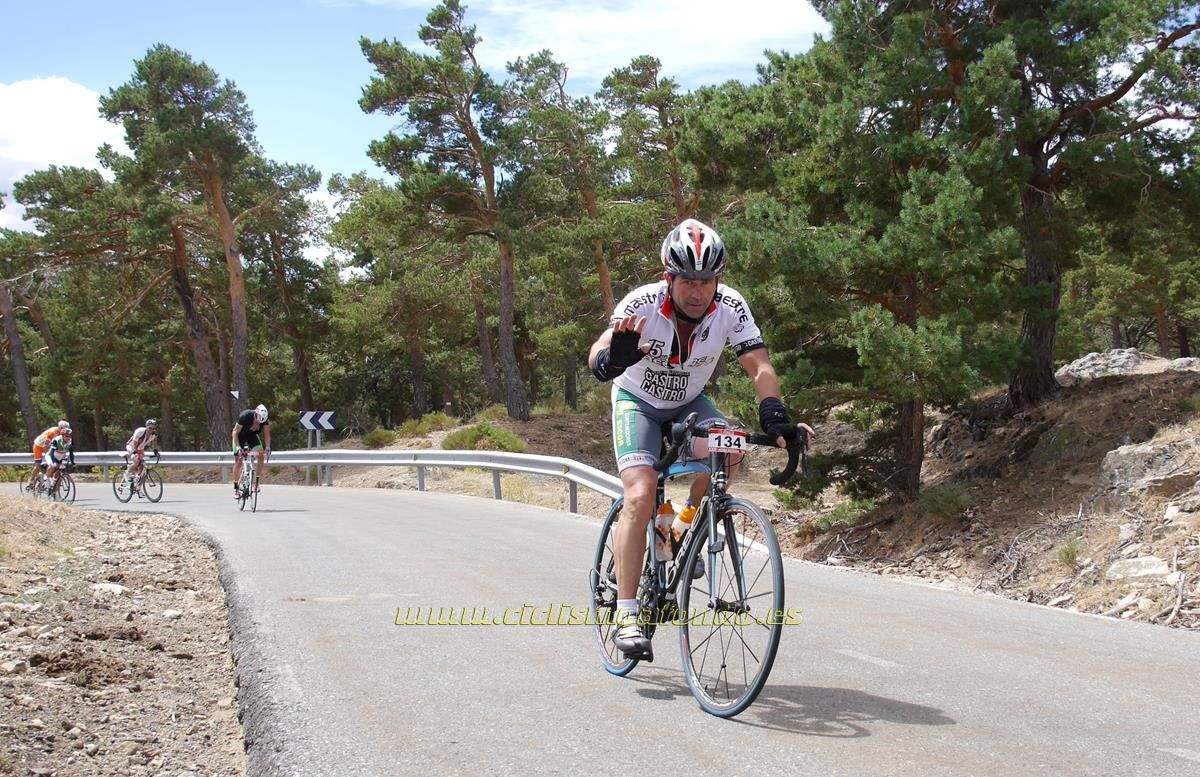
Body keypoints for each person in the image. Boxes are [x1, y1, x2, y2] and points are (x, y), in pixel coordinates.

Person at [587, 218, 815, 659]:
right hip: (637, 401)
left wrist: (774, 411)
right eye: (688, 280)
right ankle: (628, 611)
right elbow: (598, 349)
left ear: (718, 279)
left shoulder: (731, 306)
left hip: (690, 402)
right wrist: (607, 360)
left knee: (729, 454)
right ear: (668, 277)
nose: (697, 291)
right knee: (641, 490)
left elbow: (760, 366)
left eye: (706, 280)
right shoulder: (644, 304)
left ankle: (674, 531)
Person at [231, 404, 271, 498]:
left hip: (252, 437)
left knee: (261, 455)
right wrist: (238, 447)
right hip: (239, 436)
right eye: (257, 419)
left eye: (261, 421)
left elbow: (267, 434)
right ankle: (236, 488)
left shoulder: (265, 421)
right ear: (255, 414)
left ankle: (255, 483)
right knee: (239, 461)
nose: (258, 422)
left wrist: (268, 447)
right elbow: (235, 432)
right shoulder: (246, 416)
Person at [27, 420, 71, 492]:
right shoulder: (52, 432)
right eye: (64, 429)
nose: (65, 431)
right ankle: (30, 481)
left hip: (47, 446)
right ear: (59, 428)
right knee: (38, 466)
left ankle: (48, 482)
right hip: (38, 446)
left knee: (53, 466)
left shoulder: (63, 434)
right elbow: (45, 446)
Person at [123, 419, 161, 485]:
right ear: (146, 427)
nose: (151, 430)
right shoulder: (140, 431)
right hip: (131, 446)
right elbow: (135, 443)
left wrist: (156, 451)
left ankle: (138, 487)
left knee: (142, 467)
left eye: (153, 428)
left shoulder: (154, 434)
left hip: (140, 448)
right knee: (137, 460)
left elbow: (154, 443)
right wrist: (135, 452)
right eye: (150, 428)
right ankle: (127, 473)